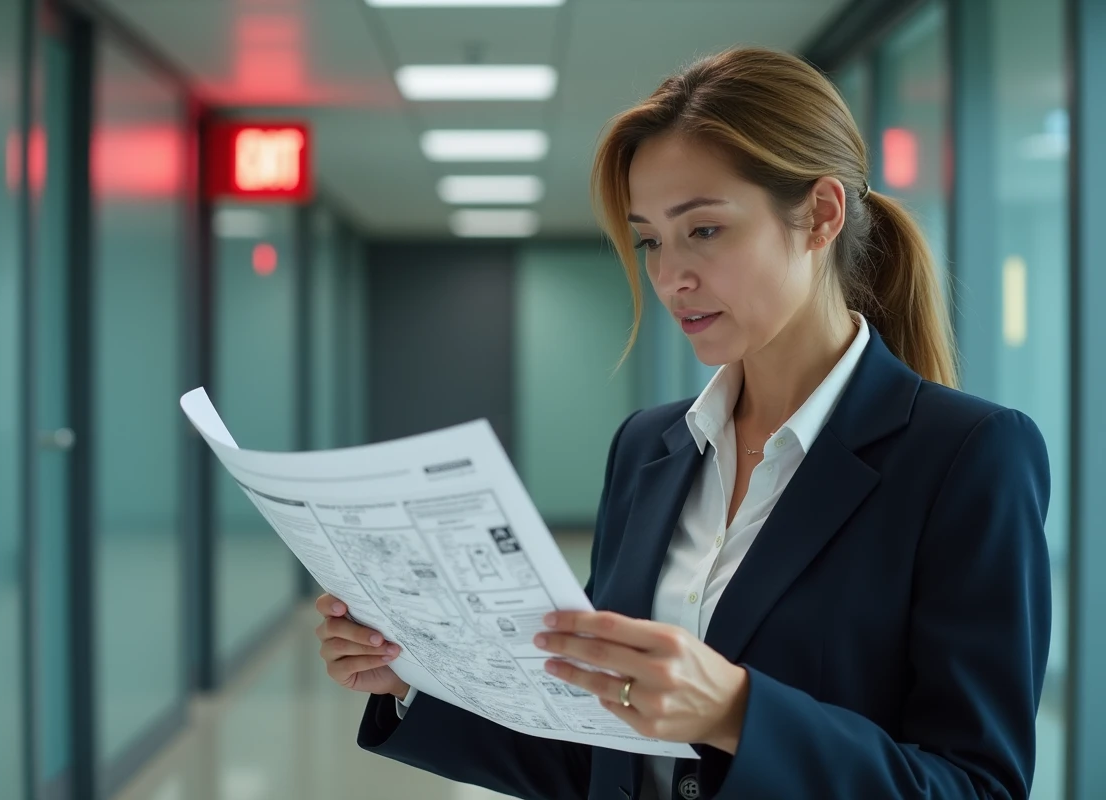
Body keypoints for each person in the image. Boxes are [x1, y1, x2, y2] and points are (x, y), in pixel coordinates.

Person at [314, 46, 1051, 800]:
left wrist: (737, 712)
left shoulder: (968, 455)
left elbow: (977, 785)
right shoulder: (648, 449)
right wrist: (410, 678)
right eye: (650, 240)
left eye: (703, 230)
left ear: (821, 215)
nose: (671, 277)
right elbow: (592, 751)